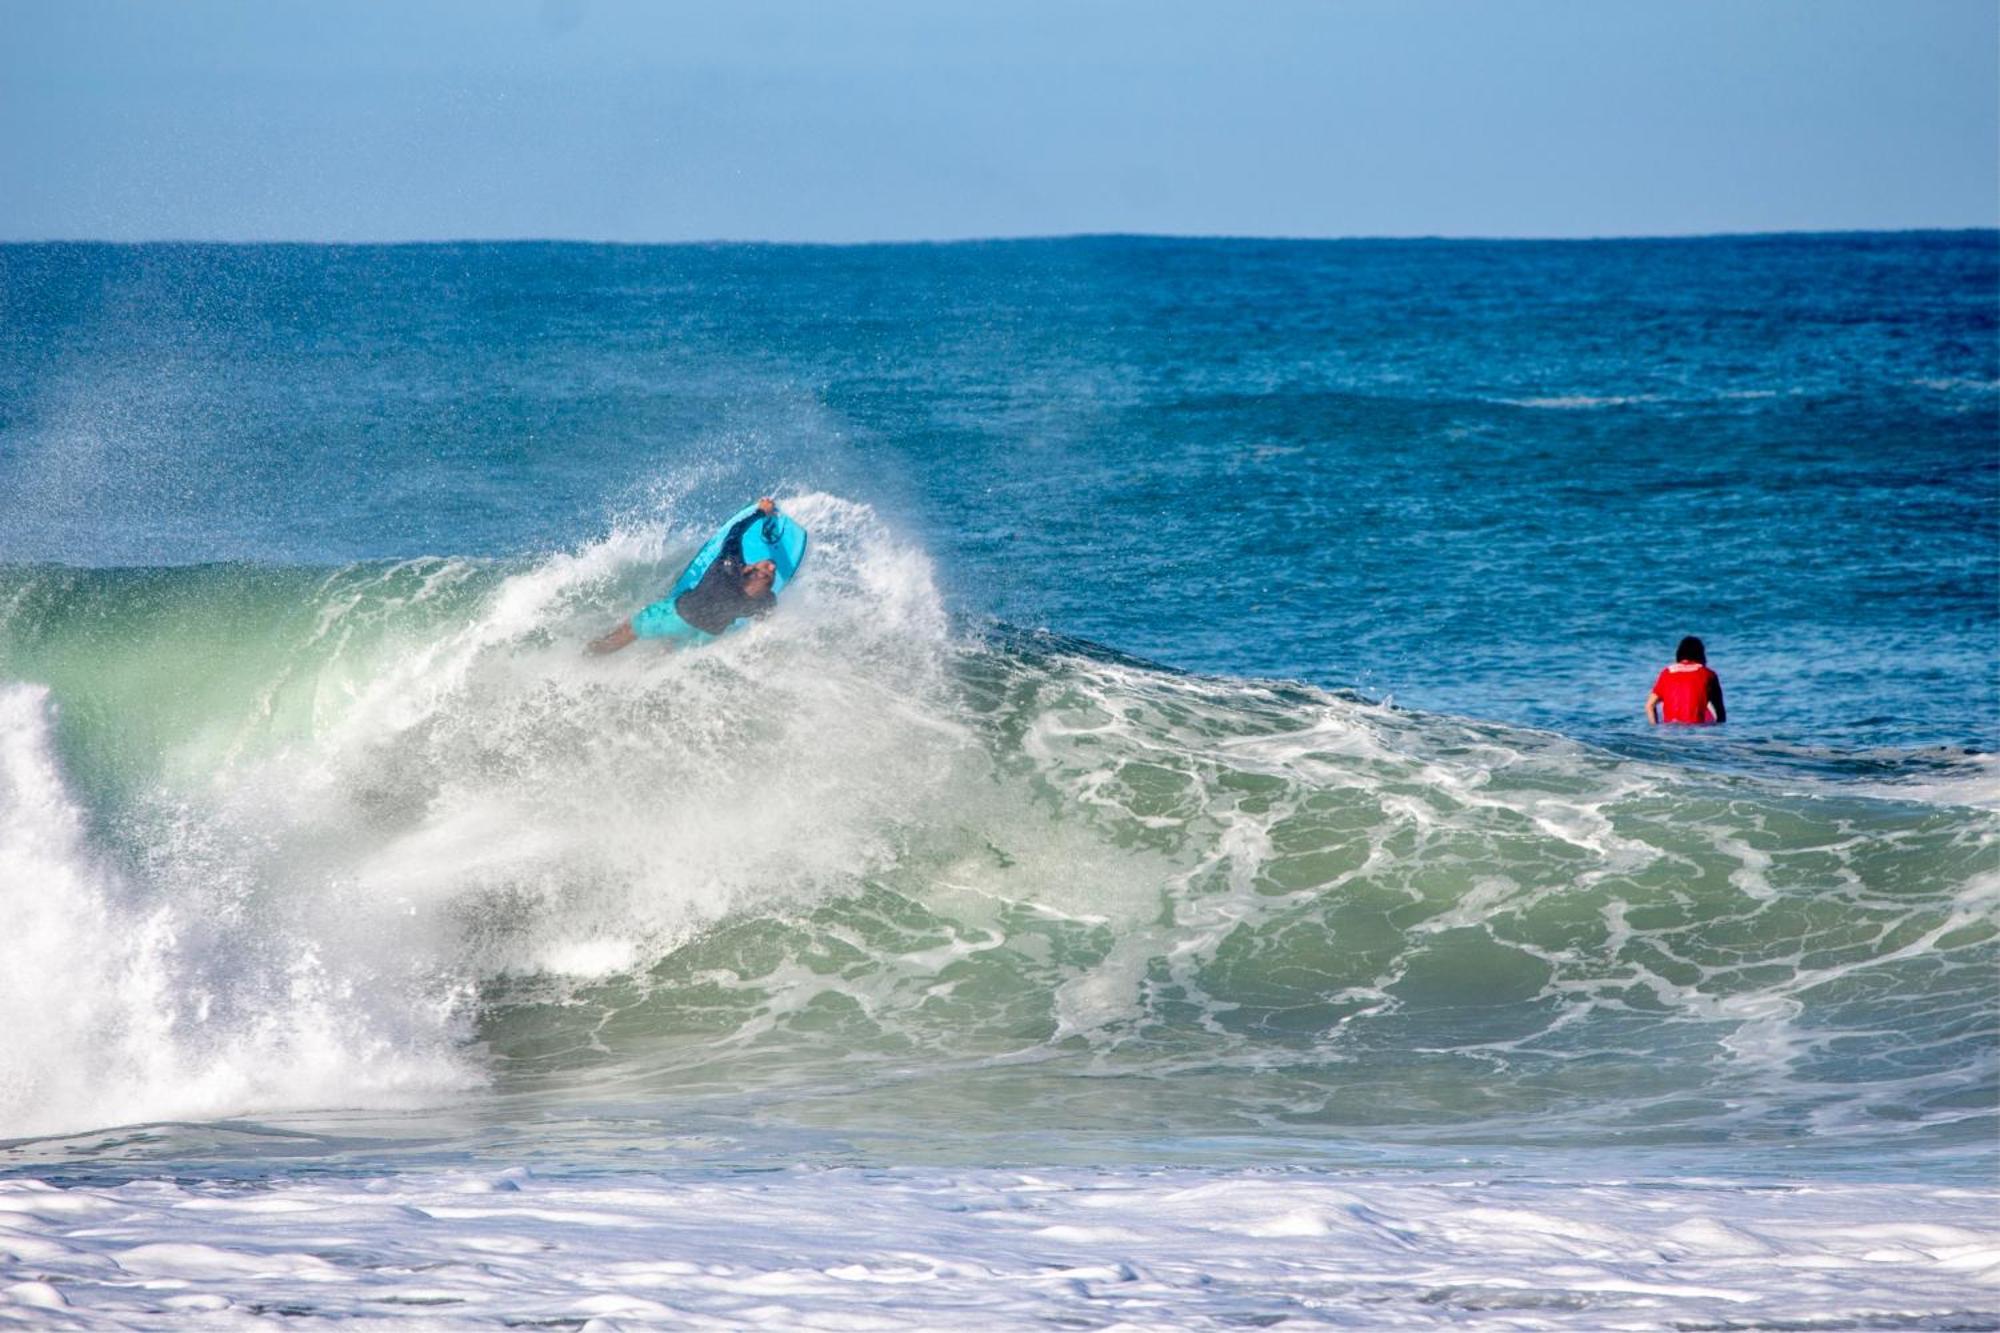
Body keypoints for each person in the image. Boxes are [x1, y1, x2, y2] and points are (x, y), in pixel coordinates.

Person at [589, 498, 781, 654]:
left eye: (767, 570)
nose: (772, 566)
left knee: (630, 630)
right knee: (669, 655)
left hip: (679, 616)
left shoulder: (727, 567)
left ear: (747, 570)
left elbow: (735, 532)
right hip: (708, 635)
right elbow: (765, 616)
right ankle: (649, 667)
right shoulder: (765, 601)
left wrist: (760, 511)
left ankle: (592, 655)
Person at [1646, 635, 1726, 725]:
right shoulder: (1708, 674)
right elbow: (1720, 712)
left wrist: (1654, 728)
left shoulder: (1667, 672)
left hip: (1670, 731)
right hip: (1698, 731)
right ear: (1701, 655)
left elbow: (1650, 705)